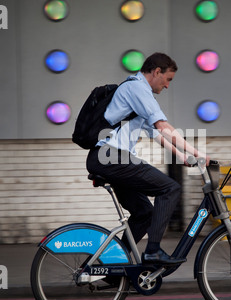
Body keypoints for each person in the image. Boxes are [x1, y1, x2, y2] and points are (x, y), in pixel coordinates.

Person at [86, 53, 209, 265]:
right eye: (168, 79)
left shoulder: (135, 92)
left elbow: (156, 133)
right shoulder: (137, 89)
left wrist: (182, 156)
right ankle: (152, 251)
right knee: (170, 188)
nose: (168, 86)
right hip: (112, 156)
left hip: (108, 158)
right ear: (157, 71)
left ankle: (116, 264)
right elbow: (162, 125)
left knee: (144, 213)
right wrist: (197, 152)